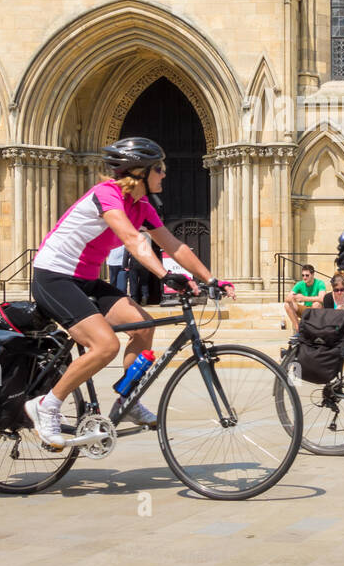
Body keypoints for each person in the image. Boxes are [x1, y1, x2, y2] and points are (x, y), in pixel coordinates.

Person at [24, 137, 226, 446]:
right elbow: (133, 240)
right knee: (105, 346)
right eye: (159, 168)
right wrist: (165, 274)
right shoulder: (107, 195)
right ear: (140, 172)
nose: (164, 174)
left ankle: (127, 401)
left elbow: (173, 244)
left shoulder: (142, 206)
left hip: (86, 279)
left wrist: (212, 279)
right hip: (54, 277)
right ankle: (46, 404)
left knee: (143, 328)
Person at [284, 264, 327, 331]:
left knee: (317, 304)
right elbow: (287, 299)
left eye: (307, 275)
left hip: (316, 311)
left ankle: (313, 329)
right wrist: (293, 298)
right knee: (287, 305)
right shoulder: (300, 284)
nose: (304, 277)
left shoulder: (320, 283)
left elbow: (322, 298)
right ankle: (298, 329)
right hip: (306, 309)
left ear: (312, 275)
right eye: (303, 275)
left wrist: (304, 298)